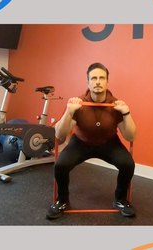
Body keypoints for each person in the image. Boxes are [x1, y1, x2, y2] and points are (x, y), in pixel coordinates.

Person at [46, 62, 137, 219]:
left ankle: (121, 200)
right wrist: (68, 112)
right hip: (82, 142)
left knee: (128, 164)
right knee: (61, 165)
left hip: (108, 143)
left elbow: (130, 136)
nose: (97, 81)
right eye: (93, 78)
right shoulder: (78, 103)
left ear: (107, 82)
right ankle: (62, 200)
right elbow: (60, 135)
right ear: (88, 82)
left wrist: (127, 113)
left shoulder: (115, 105)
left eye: (102, 78)